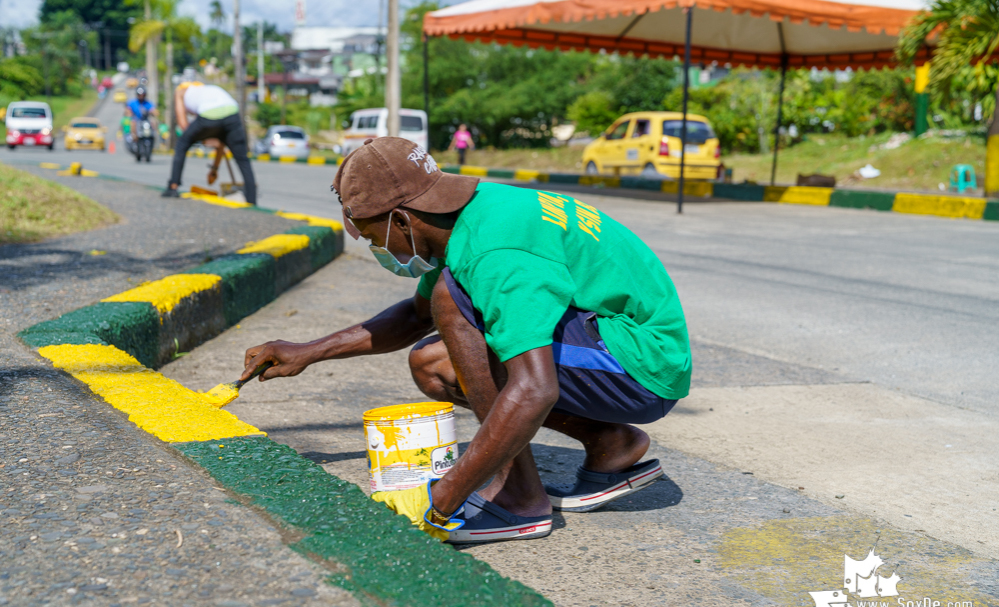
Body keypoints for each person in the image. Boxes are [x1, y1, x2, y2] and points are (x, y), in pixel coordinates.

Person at [240, 137, 691, 546]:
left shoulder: (497, 253)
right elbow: (413, 319)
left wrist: (449, 491)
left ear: (401, 218)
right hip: (612, 342)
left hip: (644, 364)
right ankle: (611, 442)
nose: (377, 248)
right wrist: (308, 351)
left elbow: (536, 387)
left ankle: (518, 499)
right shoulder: (461, 217)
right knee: (434, 361)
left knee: (454, 305)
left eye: (373, 236)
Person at [162, 81, 257, 204]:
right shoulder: (207, 90)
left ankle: (173, 186)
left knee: (181, 144)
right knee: (243, 159)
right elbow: (221, 144)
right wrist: (214, 169)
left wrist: (203, 139)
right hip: (232, 113)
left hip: (209, 114)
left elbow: (183, 125)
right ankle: (251, 199)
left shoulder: (180, 92)